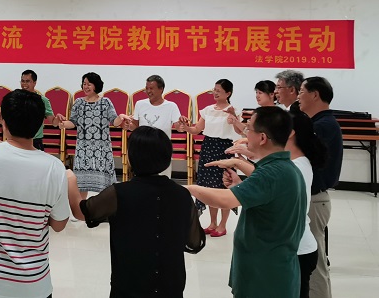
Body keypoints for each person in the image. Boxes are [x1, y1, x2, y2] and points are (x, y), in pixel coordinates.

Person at [67, 126, 205, 297]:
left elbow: (82, 212)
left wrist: (71, 180)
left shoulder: (118, 193)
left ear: (132, 157)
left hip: (130, 286)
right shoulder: (182, 194)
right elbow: (194, 242)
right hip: (171, 286)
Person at [186, 106, 305, 298]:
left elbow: (225, 200)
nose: (245, 133)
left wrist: (186, 189)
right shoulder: (283, 167)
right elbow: (265, 197)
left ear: (262, 138)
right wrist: (239, 185)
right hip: (267, 267)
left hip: (265, 275)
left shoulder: (272, 172)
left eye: (249, 128)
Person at [0, 89, 70, 298]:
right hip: (33, 284)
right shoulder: (54, 168)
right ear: (39, 125)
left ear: (3, 121)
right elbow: (59, 225)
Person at [212, 109, 326, 298]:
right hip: (283, 247)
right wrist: (241, 184)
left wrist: (189, 190)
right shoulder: (287, 164)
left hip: (295, 249)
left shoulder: (293, 166)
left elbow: (268, 181)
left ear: (290, 133)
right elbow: (267, 189)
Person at [298, 76, 343, 298]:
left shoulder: (322, 126)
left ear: (315, 95)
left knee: (315, 262)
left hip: (315, 199)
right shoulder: (319, 123)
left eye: (301, 91)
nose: (298, 96)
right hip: (312, 198)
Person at [179, 79, 240, 237]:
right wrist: (186, 127)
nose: (215, 93)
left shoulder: (232, 110)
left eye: (219, 90)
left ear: (228, 93)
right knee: (210, 187)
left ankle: (222, 225)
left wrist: (234, 118)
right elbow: (197, 130)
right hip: (208, 148)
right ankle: (213, 223)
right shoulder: (207, 109)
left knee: (224, 186)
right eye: (214, 89)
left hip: (224, 149)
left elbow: (238, 131)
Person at [56, 72, 130, 197]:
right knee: (81, 183)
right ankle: (82, 207)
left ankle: (104, 206)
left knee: (105, 184)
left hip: (102, 148)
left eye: (89, 84)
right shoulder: (78, 102)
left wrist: (121, 117)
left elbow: (114, 121)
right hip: (83, 148)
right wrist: (62, 124)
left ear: (96, 85)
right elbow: (73, 122)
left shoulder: (106, 102)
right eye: (84, 84)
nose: (86, 87)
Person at [127, 75, 187, 177]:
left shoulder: (171, 106)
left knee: (162, 180)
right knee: (143, 179)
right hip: (142, 147)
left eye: (151, 88)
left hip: (162, 147)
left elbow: (178, 127)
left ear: (161, 89)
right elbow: (135, 127)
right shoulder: (140, 104)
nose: (148, 91)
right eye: (146, 88)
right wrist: (128, 125)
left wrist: (182, 124)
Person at [19, 69, 58, 150]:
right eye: (22, 81)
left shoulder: (43, 100)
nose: (24, 84)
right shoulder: (15, 99)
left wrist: (58, 119)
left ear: (34, 82)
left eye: (28, 81)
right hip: (18, 140)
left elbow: (53, 122)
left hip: (35, 141)